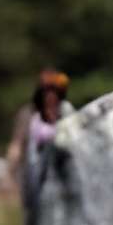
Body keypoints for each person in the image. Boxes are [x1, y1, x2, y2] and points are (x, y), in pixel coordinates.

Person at [15, 69, 68, 204]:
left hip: (63, 180)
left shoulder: (66, 112)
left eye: (55, 91)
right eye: (47, 91)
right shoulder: (30, 116)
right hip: (37, 180)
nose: (51, 95)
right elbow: (17, 145)